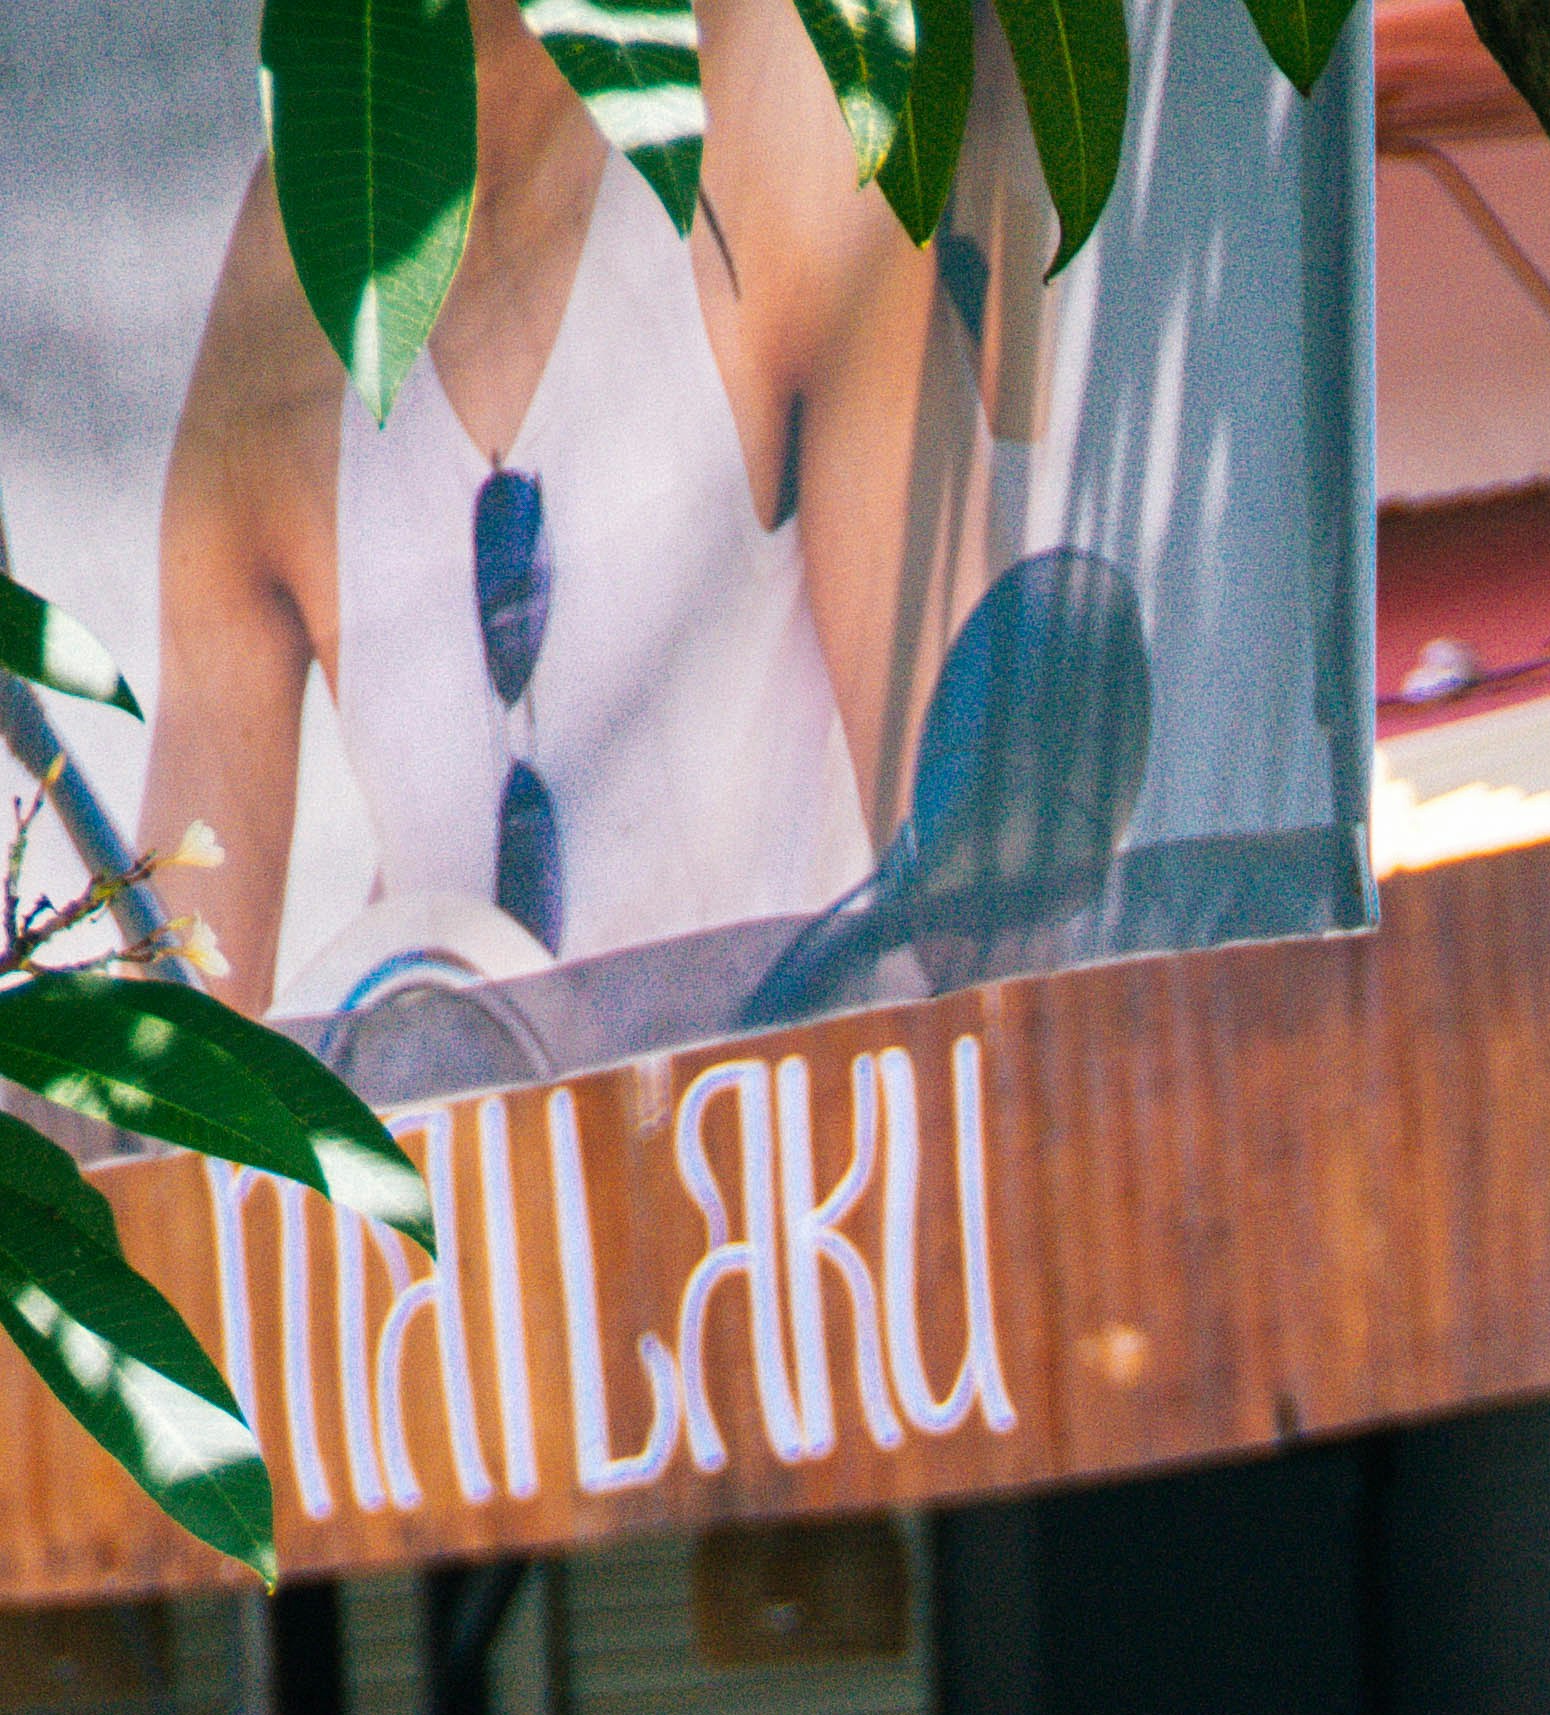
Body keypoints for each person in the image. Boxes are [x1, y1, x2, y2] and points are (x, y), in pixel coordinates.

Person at [137, 0, 995, 1014]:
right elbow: (166, 1063)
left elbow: (978, 912)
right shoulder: (278, 299)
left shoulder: (775, 108)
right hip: (468, 1157)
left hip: (807, 1148)